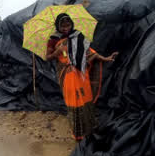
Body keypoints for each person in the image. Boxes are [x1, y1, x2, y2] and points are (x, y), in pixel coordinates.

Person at [46, 13, 117, 141]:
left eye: (68, 24)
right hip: (67, 76)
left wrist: (106, 58)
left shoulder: (77, 36)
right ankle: (78, 133)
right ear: (58, 26)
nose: (66, 27)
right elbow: (48, 57)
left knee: (85, 98)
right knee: (74, 101)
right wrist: (57, 52)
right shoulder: (53, 39)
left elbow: (90, 53)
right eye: (62, 25)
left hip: (81, 74)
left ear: (72, 24)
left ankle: (89, 129)